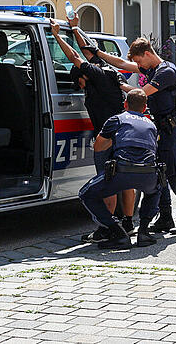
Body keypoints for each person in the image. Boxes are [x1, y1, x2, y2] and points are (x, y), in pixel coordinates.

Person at [92, 37, 176, 234]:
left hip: (172, 129)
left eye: (139, 61)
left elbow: (142, 94)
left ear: (147, 54)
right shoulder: (152, 69)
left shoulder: (166, 72)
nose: (138, 66)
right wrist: (98, 53)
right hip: (158, 129)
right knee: (158, 173)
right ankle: (165, 218)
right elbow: (123, 64)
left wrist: (122, 86)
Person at [49, 18, 137, 238]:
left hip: (108, 136)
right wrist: (76, 27)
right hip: (123, 133)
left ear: (84, 77)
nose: (80, 87)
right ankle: (127, 222)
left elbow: (75, 57)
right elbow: (88, 51)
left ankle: (108, 227)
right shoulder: (107, 72)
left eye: (79, 83)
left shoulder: (95, 76)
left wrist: (57, 35)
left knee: (108, 179)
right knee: (124, 177)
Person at [78, 89, 163, 249]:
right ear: (144, 108)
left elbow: (98, 147)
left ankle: (117, 232)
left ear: (125, 104)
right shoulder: (151, 124)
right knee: (155, 190)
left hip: (122, 172)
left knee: (86, 194)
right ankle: (143, 232)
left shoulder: (117, 119)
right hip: (148, 174)